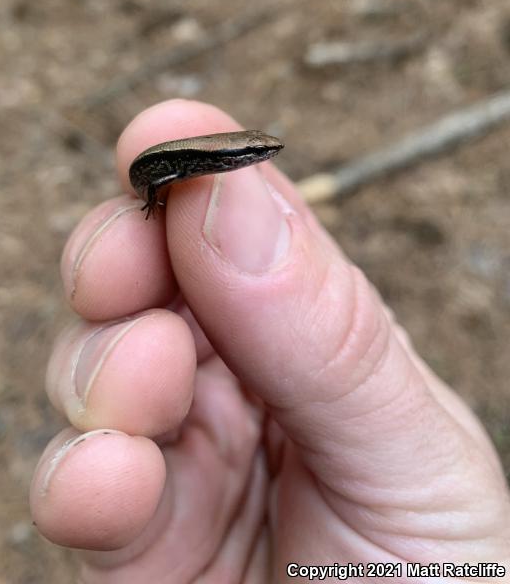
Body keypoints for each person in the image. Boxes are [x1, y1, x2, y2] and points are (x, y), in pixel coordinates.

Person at [30, 100, 510, 583]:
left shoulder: (209, 166)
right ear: (234, 157)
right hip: (148, 172)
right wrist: (153, 200)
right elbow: (153, 177)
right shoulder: (199, 164)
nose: (265, 154)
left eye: (260, 151)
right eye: (257, 152)